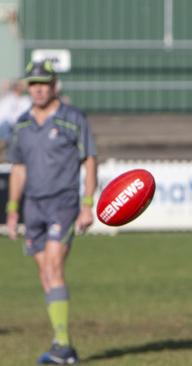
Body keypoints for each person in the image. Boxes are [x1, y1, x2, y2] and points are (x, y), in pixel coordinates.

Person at [5, 60, 97, 365]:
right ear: (27, 87)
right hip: (32, 207)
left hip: (63, 203)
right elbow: (18, 169)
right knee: (45, 274)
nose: (39, 89)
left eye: (44, 83)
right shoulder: (21, 125)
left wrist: (87, 204)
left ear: (54, 85)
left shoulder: (73, 118)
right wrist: (13, 210)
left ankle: (62, 345)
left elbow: (90, 159)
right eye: (33, 84)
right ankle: (63, 346)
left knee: (54, 268)